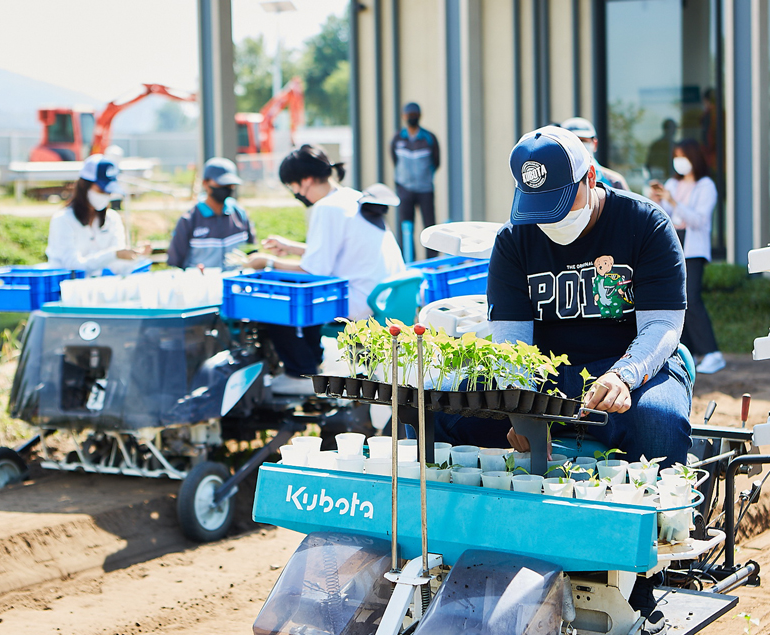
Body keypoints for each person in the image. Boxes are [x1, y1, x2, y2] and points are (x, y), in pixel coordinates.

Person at [438, 126, 691, 467]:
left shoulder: (645, 224)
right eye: (538, 205)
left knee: (659, 422)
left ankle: (656, 517)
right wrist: (519, 404)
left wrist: (624, 376)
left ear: (590, 176)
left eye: (560, 201)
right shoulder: (514, 239)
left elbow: (662, 324)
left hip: (626, 367)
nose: (552, 218)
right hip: (543, 375)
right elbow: (511, 342)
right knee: (437, 408)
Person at [253, 145, 405, 393]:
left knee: (279, 300)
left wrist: (266, 262)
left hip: (360, 303)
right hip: (386, 297)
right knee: (307, 296)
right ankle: (311, 364)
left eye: (292, 187)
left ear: (306, 181)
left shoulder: (326, 207)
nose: (295, 193)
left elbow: (311, 273)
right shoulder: (350, 198)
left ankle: (300, 374)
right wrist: (290, 247)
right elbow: (338, 252)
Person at [650, 139, 724, 374]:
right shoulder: (673, 182)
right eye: (676, 156)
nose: (679, 161)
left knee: (692, 299)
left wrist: (673, 201)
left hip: (693, 249)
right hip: (674, 249)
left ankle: (712, 352)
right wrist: (658, 198)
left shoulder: (706, 186)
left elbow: (700, 220)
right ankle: (688, 352)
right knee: (678, 301)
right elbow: (663, 216)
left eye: (683, 156)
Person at [46, 154, 149, 276]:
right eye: (101, 190)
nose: (105, 195)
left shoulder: (112, 219)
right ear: (84, 185)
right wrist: (113, 254)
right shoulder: (63, 220)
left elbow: (117, 267)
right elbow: (73, 265)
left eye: (109, 191)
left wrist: (136, 256)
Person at [167, 157, 257, 270]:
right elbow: (175, 263)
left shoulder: (239, 214)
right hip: (202, 285)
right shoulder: (189, 220)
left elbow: (252, 252)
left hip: (235, 284)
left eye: (229, 185)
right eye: (221, 184)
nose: (226, 189)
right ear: (206, 183)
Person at [391, 102, 440, 259]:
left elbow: (436, 162)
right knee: (405, 226)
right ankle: (407, 260)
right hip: (405, 189)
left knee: (429, 226)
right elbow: (394, 160)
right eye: (408, 114)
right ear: (403, 116)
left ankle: (432, 261)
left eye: (414, 114)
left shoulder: (429, 138)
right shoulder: (397, 139)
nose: (411, 117)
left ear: (419, 116)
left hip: (425, 189)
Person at [560, 117, 629, 190]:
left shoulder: (614, 182)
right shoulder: (556, 180)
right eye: (574, 141)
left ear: (595, 144)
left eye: (583, 140)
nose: (579, 146)